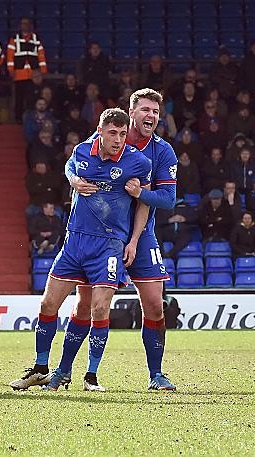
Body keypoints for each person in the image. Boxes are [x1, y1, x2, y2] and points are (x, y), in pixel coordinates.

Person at [9, 108, 152, 391]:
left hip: (109, 244)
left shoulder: (138, 162)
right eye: (113, 133)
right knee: (48, 304)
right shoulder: (82, 150)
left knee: (99, 309)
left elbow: (144, 203)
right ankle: (40, 368)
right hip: (75, 241)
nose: (118, 140)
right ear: (100, 131)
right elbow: (69, 166)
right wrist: (73, 180)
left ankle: (91, 376)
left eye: (123, 134)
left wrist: (134, 240)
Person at [45, 88, 179, 392]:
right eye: (145, 110)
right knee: (84, 306)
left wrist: (139, 194)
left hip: (140, 237)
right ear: (131, 113)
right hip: (101, 239)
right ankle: (64, 371)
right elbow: (73, 162)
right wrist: (73, 181)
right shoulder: (107, 136)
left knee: (155, 305)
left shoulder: (162, 151)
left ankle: (156, 375)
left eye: (156, 112)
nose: (151, 116)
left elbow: (168, 199)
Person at [6, 17, 47, 123]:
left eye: (27, 23)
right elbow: (10, 55)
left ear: (30, 25)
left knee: (33, 98)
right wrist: (11, 70)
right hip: (19, 75)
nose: (25, 26)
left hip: (33, 75)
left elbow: (41, 55)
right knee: (19, 98)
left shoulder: (36, 38)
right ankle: (18, 119)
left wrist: (43, 71)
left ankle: (33, 118)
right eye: (23, 24)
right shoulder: (14, 39)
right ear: (20, 26)